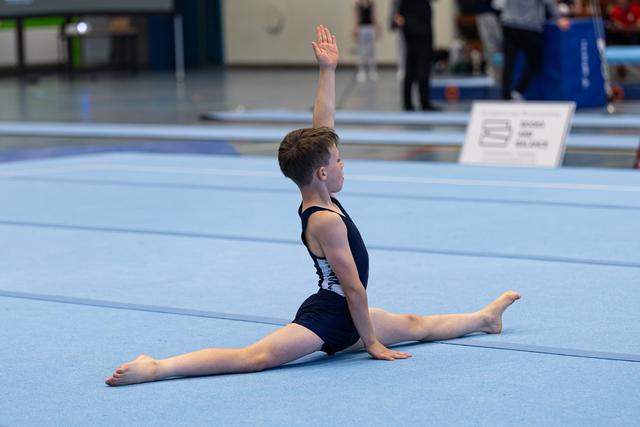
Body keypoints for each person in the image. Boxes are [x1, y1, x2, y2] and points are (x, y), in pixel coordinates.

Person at [104, 25, 521, 387]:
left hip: (344, 312)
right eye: (338, 161)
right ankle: (157, 367)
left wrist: (328, 70)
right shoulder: (325, 221)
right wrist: (371, 342)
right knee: (257, 358)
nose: (343, 164)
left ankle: (484, 319)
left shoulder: (317, 192)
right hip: (328, 317)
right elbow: (354, 287)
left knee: (416, 324)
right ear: (322, 173)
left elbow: (323, 128)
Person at [500, 0, 571, 100]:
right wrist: (558, 18)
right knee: (534, 62)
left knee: (509, 63)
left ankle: (506, 94)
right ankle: (517, 91)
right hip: (529, 27)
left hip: (509, 24)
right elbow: (549, 2)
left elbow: (499, 4)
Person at [395, 0, 439, 111]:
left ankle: (409, 102)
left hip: (413, 24)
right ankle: (422, 102)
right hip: (418, 26)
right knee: (420, 65)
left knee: (411, 64)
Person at [353, 0, 381, 82]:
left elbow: (374, 17)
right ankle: (361, 71)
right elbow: (356, 18)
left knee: (371, 51)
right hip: (362, 28)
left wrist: (377, 28)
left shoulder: (372, 4)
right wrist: (355, 29)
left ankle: (372, 71)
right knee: (362, 51)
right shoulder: (357, 5)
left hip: (370, 28)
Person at [475, 0, 502, 78]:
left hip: (492, 13)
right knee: (493, 48)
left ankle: (497, 72)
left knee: (495, 48)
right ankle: (496, 71)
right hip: (486, 12)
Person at [389, 0, 407, 80]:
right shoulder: (396, 2)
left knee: (410, 48)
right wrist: (396, 19)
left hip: (412, 24)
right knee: (401, 48)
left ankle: (410, 68)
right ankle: (401, 69)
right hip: (401, 26)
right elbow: (394, 10)